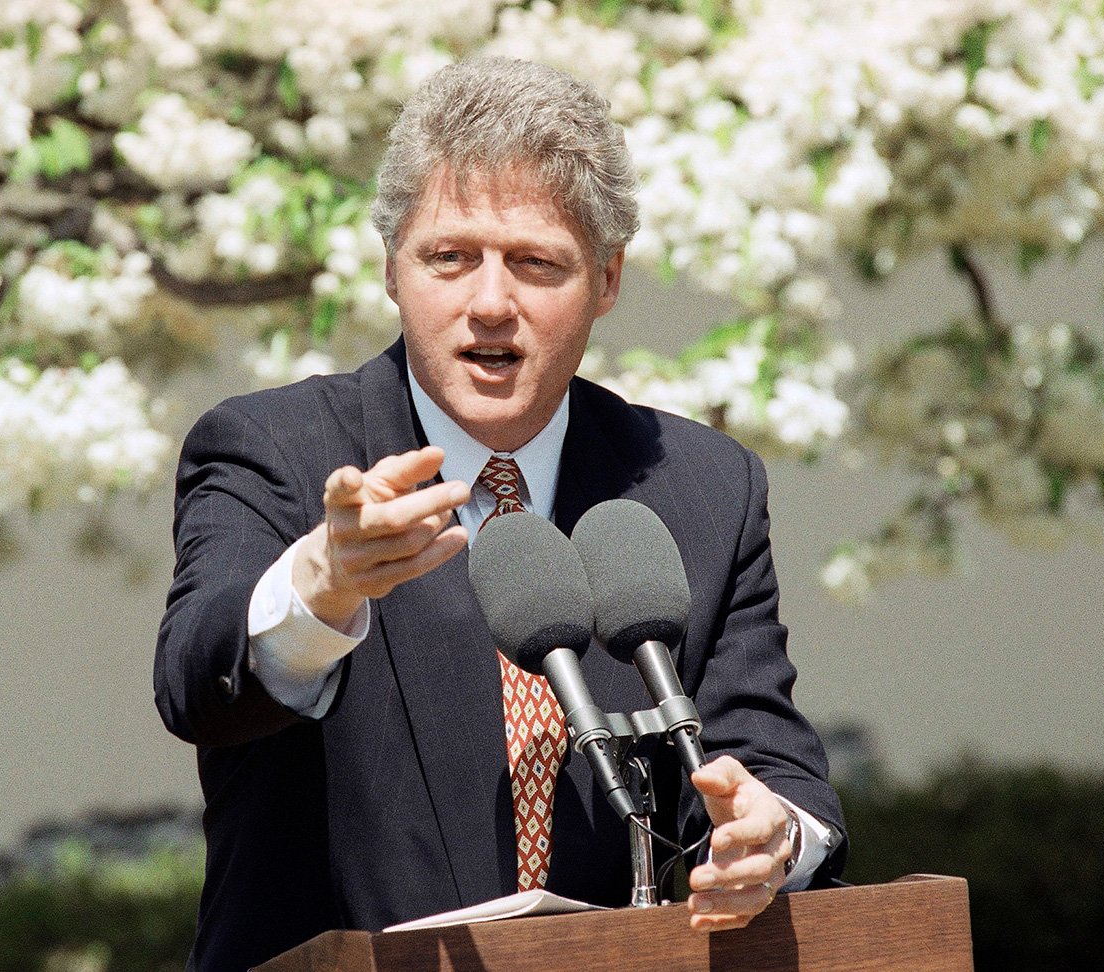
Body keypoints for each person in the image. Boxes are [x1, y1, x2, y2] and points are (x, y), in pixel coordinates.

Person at [155, 57, 846, 972]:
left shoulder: (701, 486)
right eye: (450, 257)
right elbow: (196, 682)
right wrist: (319, 586)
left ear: (605, 281)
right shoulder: (271, 448)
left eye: (535, 264)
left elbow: (774, 765)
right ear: (391, 268)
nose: (490, 304)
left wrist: (772, 839)